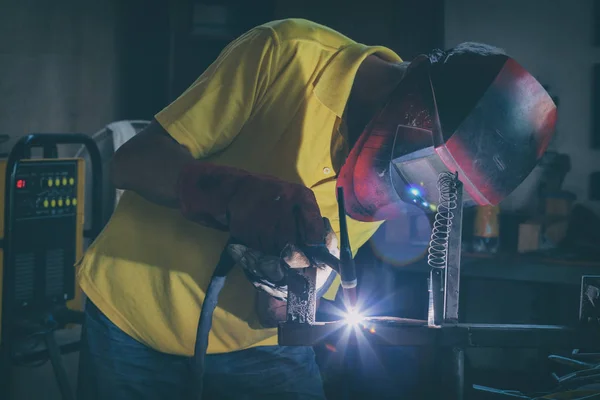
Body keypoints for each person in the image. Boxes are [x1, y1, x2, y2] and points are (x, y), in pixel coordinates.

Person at [76, 18, 556, 400]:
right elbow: (132, 162)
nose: (411, 194)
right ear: (413, 94)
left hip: (259, 349)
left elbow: (288, 305)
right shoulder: (285, 54)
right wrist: (232, 195)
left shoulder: (406, 178)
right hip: (132, 323)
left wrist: (286, 297)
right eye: (416, 170)